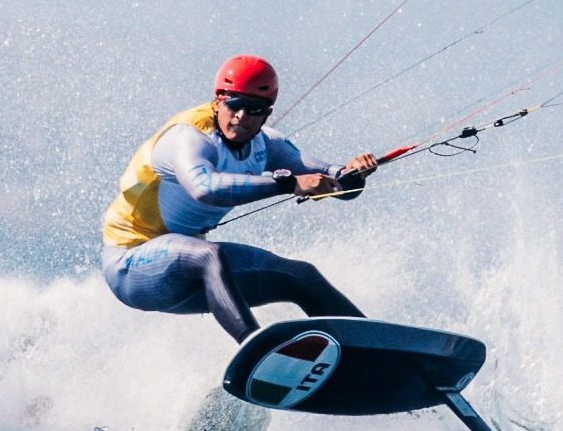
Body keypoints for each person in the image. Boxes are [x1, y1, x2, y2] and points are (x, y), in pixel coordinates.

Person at [101, 55, 379, 342]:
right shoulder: (189, 137)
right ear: (218, 101)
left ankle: (375, 349)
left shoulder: (266, 144)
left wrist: (354, 173)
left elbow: (338, 184)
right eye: (234, 105)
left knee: (302, 277)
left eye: (253, 109)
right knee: (207, 255)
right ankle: (258, 347)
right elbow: (205, 188)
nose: (241, 116)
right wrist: (289, 184)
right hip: (130, 265)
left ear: (267, 112)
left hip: (190, 277)